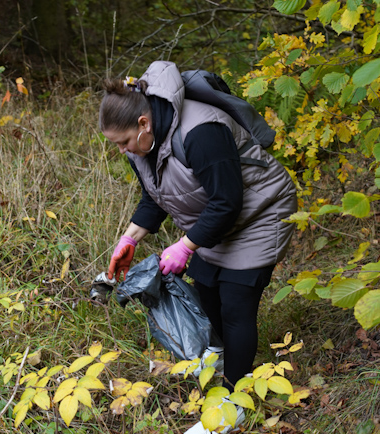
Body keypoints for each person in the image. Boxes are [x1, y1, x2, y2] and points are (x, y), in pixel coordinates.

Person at [100, 60, 297, 389]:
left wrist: (186, 245)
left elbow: (227, 200)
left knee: (236, 302)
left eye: (124, 141)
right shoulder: (140, 147)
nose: (122, 150)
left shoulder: (200, 132)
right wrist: (129, 239)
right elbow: (155, 197)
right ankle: (217, 352)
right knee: (206, 286)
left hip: (261, 211)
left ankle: (235, 397)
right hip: (218, 217)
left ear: (144, 123)